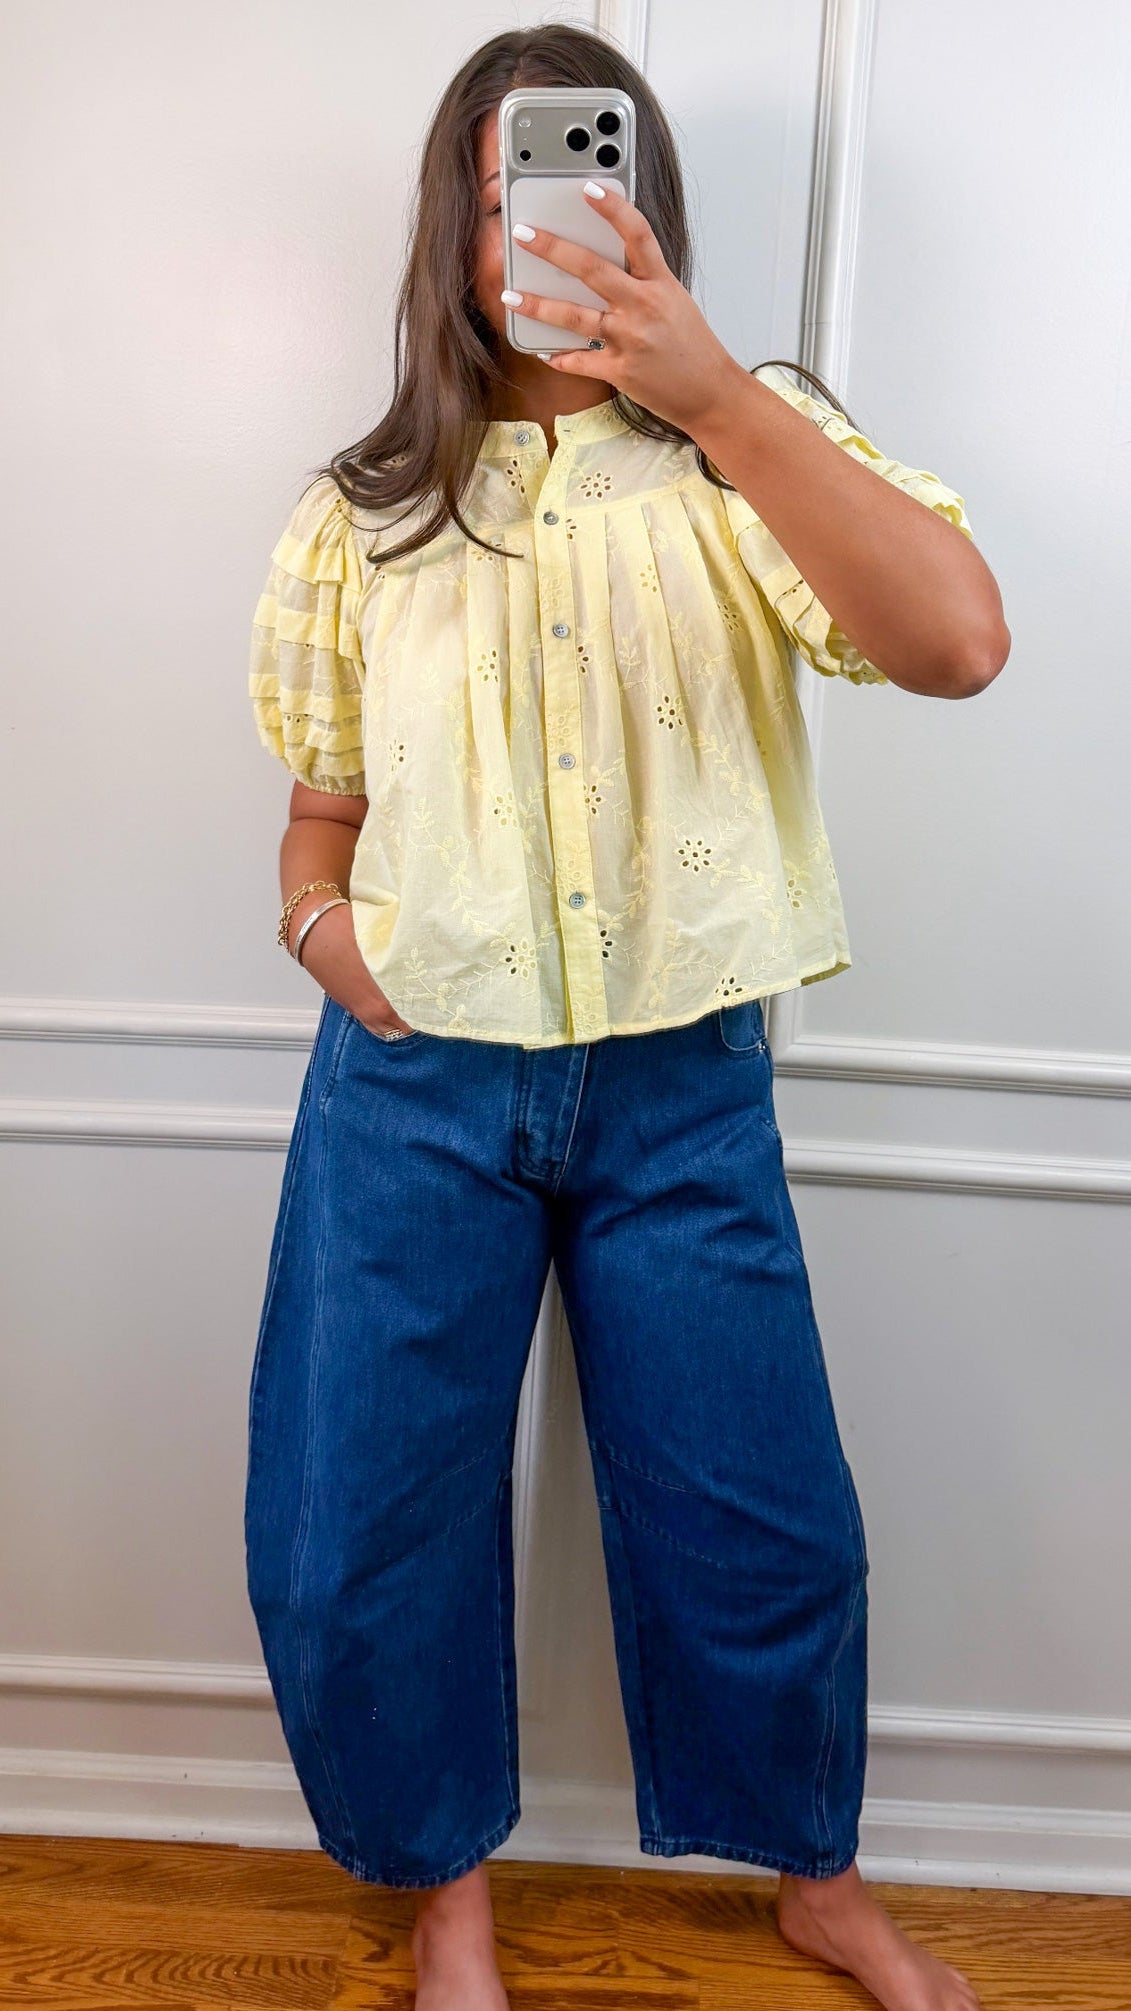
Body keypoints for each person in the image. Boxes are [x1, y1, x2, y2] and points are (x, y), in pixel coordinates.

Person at [243, 23, 1007, 2011]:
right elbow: (318, 815)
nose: (546, 226)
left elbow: (954, 642)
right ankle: (448, 1909)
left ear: (644, 210)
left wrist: (717, 395)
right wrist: (327, 934)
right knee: (369, 1523)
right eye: (510, 190)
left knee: (759, 1510)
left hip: (683, 1084)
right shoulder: (362, 511)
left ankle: (815, 1877)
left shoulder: (749, 458)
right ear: (457, 221)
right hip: (413, 1082)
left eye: (585, 181)